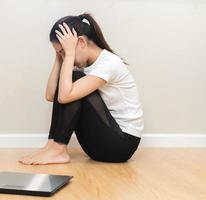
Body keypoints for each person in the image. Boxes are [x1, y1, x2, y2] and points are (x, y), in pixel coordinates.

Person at [18, 12, 144, 165]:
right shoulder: (86, 64)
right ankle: (52, 147)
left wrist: (69, 53)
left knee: (73, 79)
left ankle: (58, 150)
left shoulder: (109, 63)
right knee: (69, 81)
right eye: (60, 53)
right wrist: (60, 57)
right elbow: (51, 95)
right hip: (98, 145)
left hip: (121, 145)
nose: (64, 56)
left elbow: (64, 96)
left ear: (81, 42)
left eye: (63, 51)